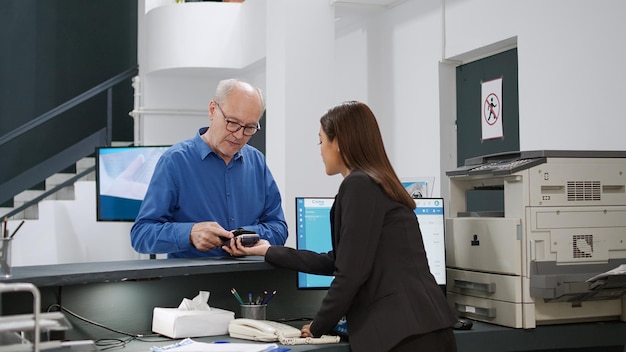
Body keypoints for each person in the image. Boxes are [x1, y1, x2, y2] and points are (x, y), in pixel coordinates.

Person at [225, 101, 458, 351]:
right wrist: (266, 250)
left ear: (338, 142)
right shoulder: (380, 182)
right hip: (424, 326)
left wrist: (318, 326)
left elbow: (350, 273)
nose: (321, 150)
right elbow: (339, 261)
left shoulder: (359, 185)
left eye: (321, 140)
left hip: (402, 333)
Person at [131, 79, 288, 258]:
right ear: (213, 110)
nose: (238, 135)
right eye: (232, 122)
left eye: (249, 127)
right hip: (192, 282)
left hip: (250, 281)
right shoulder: (174, 161)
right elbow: (141, 235)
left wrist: (244, 236)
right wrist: (189, 233)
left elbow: (279, 229)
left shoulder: (257, 162)